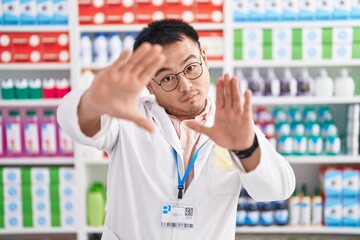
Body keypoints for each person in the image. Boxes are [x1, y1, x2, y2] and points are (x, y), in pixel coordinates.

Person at [57, 19, 295, 240]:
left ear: (204, 57)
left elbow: (278, 189)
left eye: (191, 67)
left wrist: (245, 149)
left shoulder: (231, 124)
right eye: (168, 78)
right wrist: (92, 103)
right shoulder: (129, 116)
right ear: (149, 84)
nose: (186, 85)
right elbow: (74, 123)